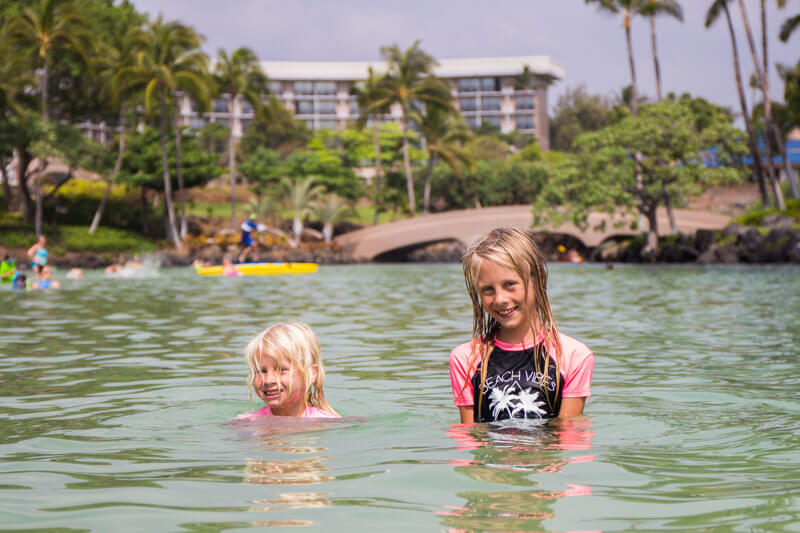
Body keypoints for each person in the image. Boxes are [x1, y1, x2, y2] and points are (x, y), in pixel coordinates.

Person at [449, 227, 594, 424]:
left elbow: (569, 435)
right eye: (488, 289)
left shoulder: (573, 356)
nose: (500, 299)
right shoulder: (466, 358)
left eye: (510, 284)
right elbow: (469, 436)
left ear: (538, 280)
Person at [238, 322, 339, 419]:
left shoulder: (326, 422)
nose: (268, 380)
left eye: (281, 370)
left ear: (311, 374)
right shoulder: (248, 423)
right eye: (261, 371)